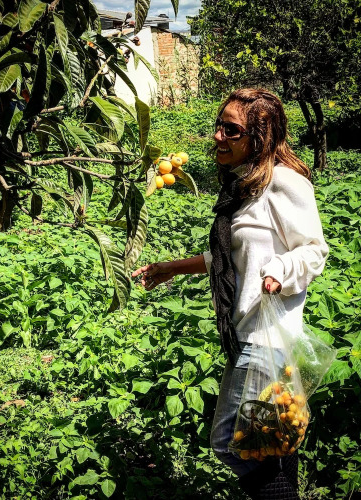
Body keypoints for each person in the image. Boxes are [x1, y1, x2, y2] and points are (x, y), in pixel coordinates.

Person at [131, 88, 329, 499]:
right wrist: (171, 268)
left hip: (265, 336)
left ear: (260, 136)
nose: (218, 136)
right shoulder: (246, 184)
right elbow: (234, 256)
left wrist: (280, 271)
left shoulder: (284, 183)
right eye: (219, 126)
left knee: (229, 443)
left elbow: (314, 251)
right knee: (271, 439)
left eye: (232, 130)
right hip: (246, 330)